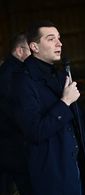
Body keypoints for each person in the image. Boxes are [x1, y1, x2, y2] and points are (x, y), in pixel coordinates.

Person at [11, 20, 85, 195]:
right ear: (34, 47)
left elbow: (75, 122)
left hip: (75, 166)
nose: (59, 43)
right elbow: (35, 131)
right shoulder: (22, 81)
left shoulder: (60, 75)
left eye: (59, 38)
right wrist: (64, 102)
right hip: (51, 173)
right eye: (51, 39)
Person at [0, 33, 32, 195]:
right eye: (30, 51)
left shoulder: (7, 70)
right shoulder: (14, 74)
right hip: (13, 142)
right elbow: (14, 109)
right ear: (20, 51)